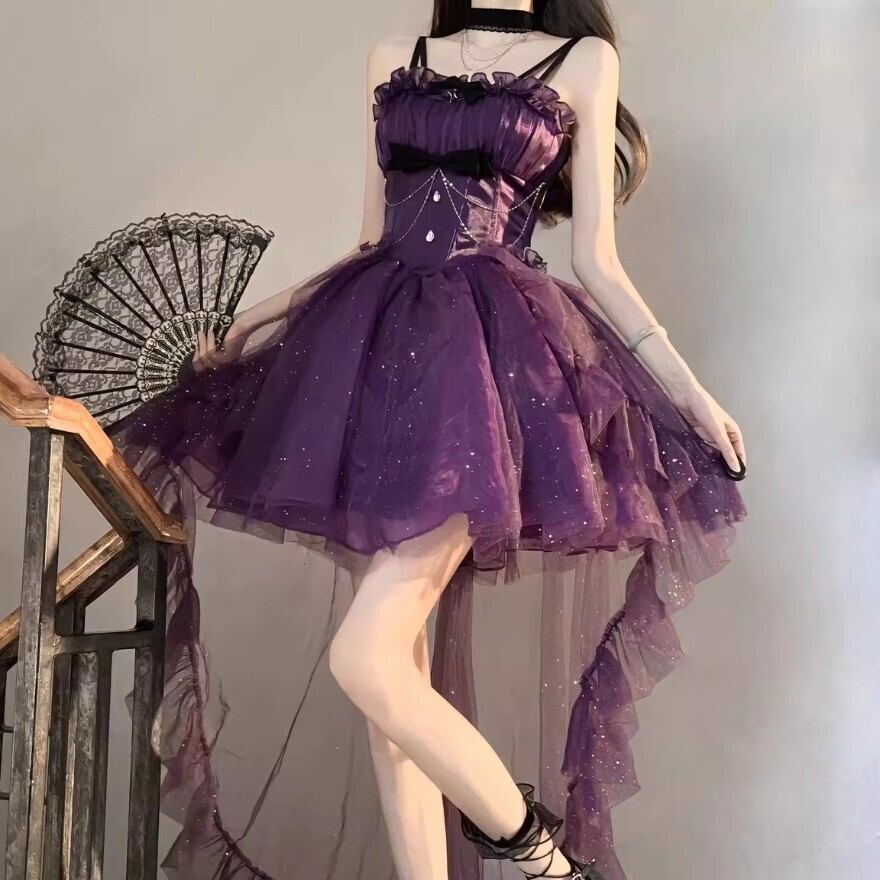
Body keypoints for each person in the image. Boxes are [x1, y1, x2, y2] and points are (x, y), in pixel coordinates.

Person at [112, 3, 748, 879]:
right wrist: (252, 325)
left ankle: (548, 865)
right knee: (393, 691)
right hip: (370, 359)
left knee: (368, 658)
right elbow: (369, 241)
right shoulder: (395, 54)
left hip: (484, 375)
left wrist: (689, 390)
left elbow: (597, 261)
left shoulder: (582, 61)